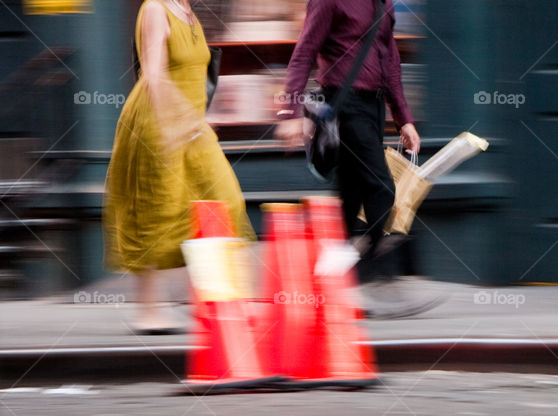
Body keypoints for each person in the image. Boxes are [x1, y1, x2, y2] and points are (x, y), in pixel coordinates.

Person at [102, 0, 255, 333]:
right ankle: (148, 310)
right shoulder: (155, 8)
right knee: (156, 212)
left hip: (193, 126)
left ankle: (215, 301)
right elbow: (153, 76)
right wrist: (178, 122)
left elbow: (192, 74)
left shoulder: (189, 11)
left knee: (222, 202)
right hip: (158, 124)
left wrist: (200, 117)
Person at [276, 0, 420, 285]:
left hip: (373, 107)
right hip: (344, 104)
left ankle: (329, 281)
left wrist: (404, 118)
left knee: (351, 195)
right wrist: (290, 111)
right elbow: (305, 51)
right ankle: (374, 273)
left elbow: (390, 59)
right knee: (380, 186)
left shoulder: (382, 1)